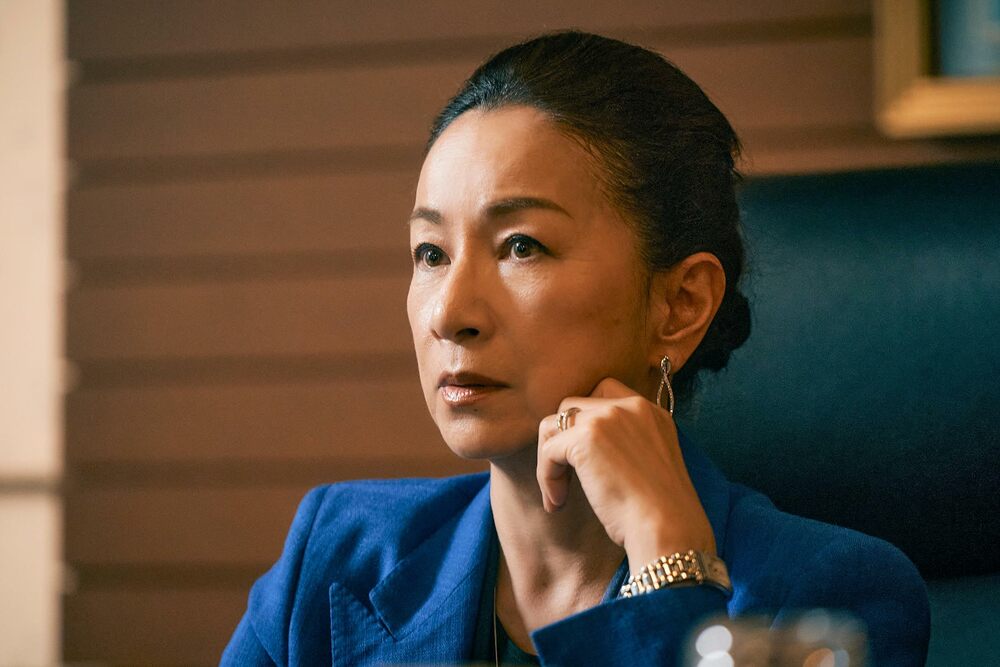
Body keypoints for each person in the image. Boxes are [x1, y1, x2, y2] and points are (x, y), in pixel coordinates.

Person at [221, 31, 930, 666]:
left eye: (521, 246)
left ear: (680, 304)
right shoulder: (337, 552)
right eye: (431, 252)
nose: (448, 314)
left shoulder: (830, 596)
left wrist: (672, 570)